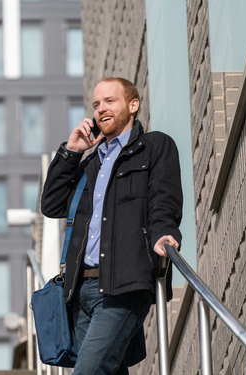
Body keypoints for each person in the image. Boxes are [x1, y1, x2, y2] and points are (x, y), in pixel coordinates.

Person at [41, 77, 183, 375]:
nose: (100, 109)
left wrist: (164, 234)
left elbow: (163, 200)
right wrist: (72, 151)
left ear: (133, 105)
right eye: (96, 104)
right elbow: (52, 205)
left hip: (124, 286)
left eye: (109, 101)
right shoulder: (88, 165)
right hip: (80, 291)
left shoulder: (154, 146)